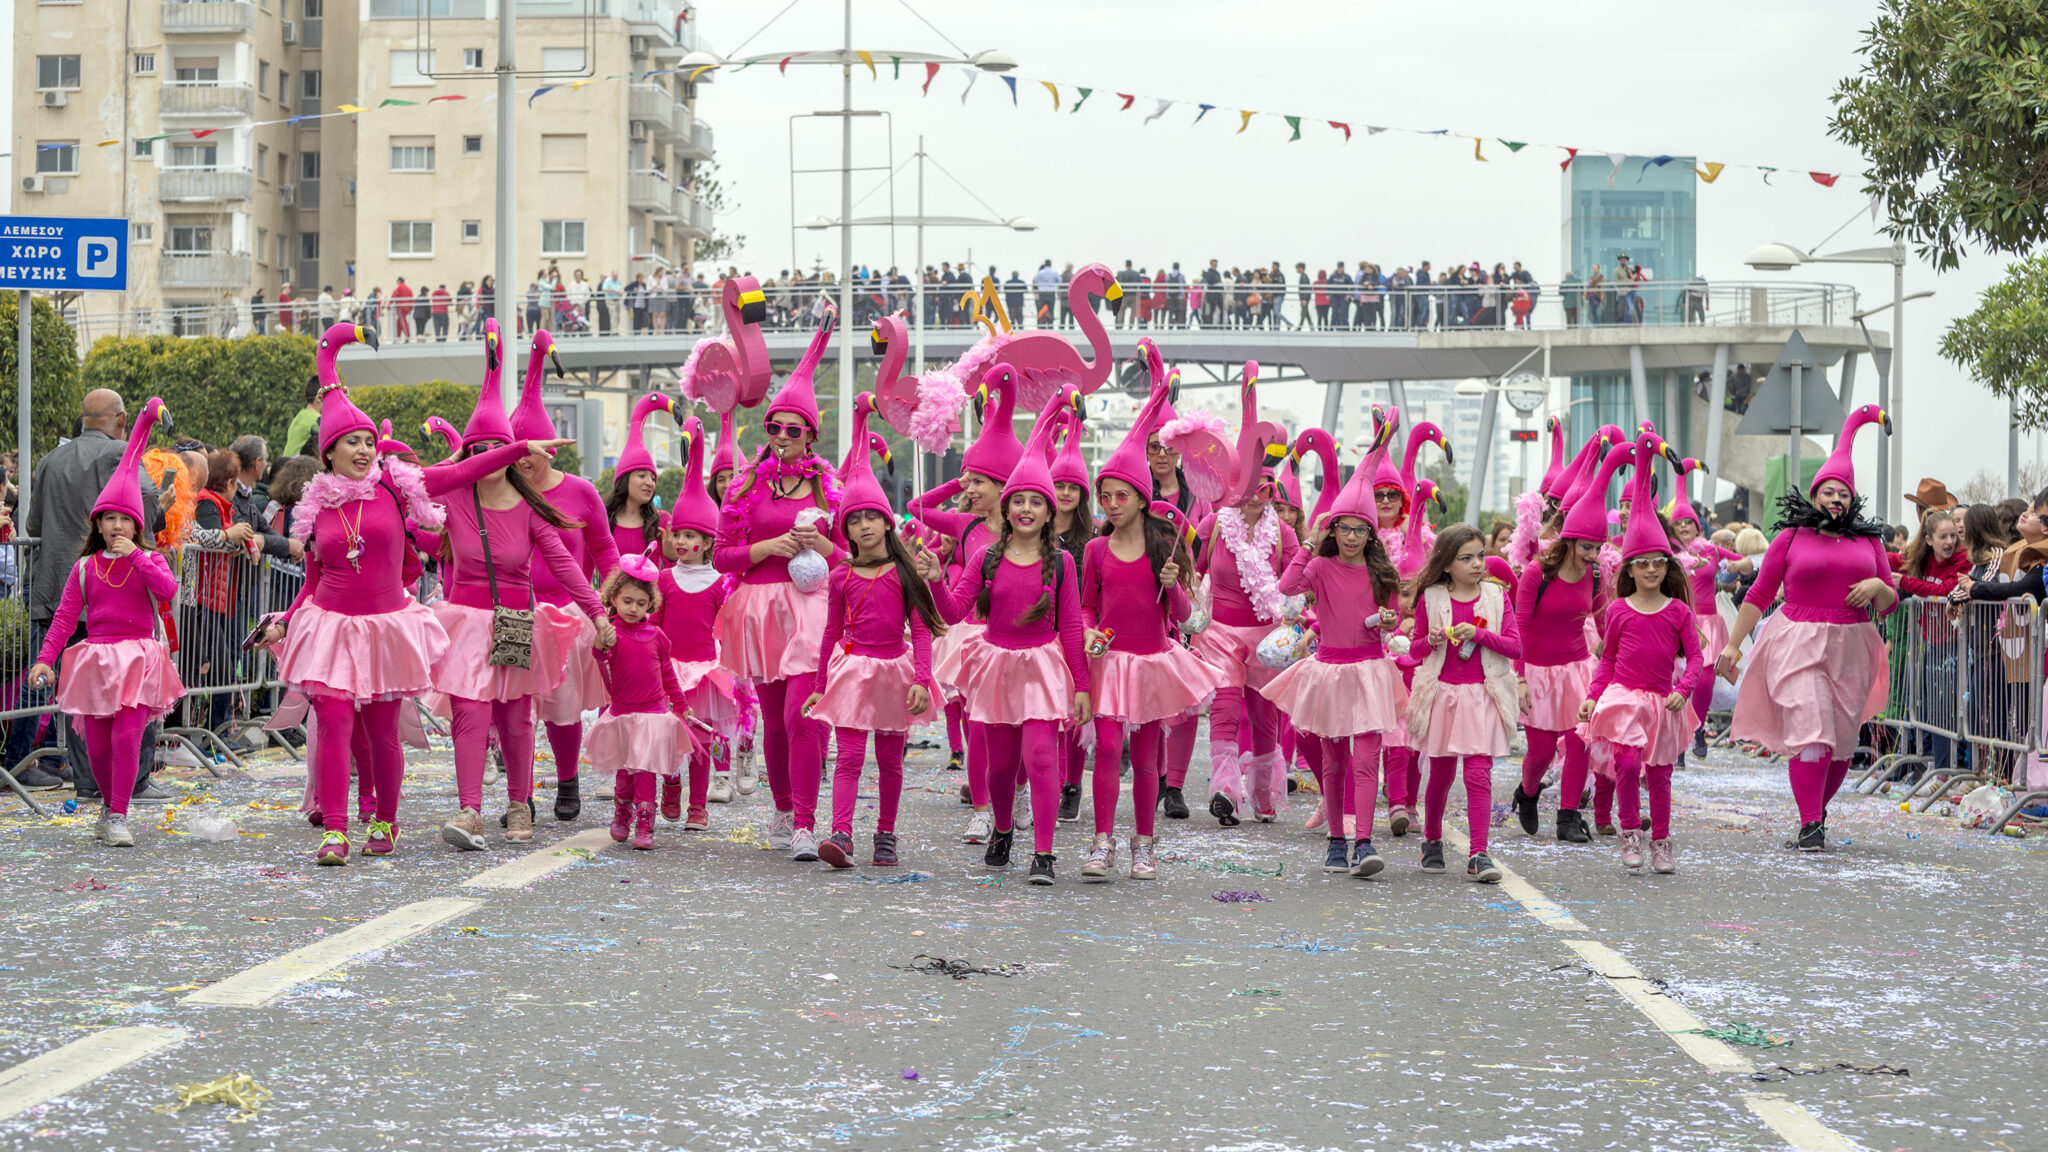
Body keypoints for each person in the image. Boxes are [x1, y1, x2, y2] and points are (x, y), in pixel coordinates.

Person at [262, 324, 450, 863]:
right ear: (329, 453)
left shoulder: (394, 485)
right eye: (354, 442)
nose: (366, 449)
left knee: (383, 734)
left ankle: (385, 823)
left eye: (370, 440)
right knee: (336, 724)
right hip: (333, 625)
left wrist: (516, 452)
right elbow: (317, 579)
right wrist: (287, 620)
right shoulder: (317, 505)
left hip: (386, 625)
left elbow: (459, 472)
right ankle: (336, 831)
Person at [425, 320, 612, 850]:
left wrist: (598, 615)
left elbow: (570, 566)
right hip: (466, 620)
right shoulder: (455, 498)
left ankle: (516, 803)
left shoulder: (532, 510)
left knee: (514, 717)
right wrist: (505, 449)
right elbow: (422, 479)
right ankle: (468, 811)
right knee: (469, 712)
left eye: (497, 448)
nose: (486, 457)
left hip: (514, 621)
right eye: (477, 448)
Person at [919, 381, 1092, 887]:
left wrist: (1082, 687)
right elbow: (954, 613)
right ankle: (1000, 829)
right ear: (1009, 506)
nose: (1025, 511)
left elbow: (1074, 627)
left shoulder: (1060, 563)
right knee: (996, 766)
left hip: (1041, 666)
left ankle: (1043, 851)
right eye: (1018, 502)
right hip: (995, 665)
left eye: (1036, 503)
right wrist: (933, 580)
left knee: (1040, 758)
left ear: (1048, 512)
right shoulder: (983, 556)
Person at [1718, 407, 1896, 853]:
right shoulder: (1791, 538)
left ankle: (1817, 811)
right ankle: (1810, 824)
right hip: (1797, 639)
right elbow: (1759, 594)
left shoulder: (1869, 542)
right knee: (1812, 731)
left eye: (1844, 493)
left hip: (1853, 643)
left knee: (1840, 742)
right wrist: (1734, 646)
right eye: (1829, 491)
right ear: (1815, 495)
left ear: (1852, 500)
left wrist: (1878, 584)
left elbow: (1889, 601)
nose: (1836, 499)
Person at [712, 308, 842, 860]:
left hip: (812, 609)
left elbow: (854, 557)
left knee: (801, 712)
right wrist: (766, 548)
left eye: (794, 430)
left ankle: (807, 825)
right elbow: (722, 557)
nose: (783, 437)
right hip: (759, 608)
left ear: (811, 436)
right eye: (775, 427)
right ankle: (784, 809)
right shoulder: (743, 487)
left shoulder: (833, 488)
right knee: (772, 718)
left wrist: (822, 547)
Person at [1079, 388, 1224, 880]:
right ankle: (1103, 843)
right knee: (1106, 752)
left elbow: (1183, 618)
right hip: (1110, 663)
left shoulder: (1164, 548)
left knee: (1145, 759)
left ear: (1142, 499)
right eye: (1105, 495)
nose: (1111, 503)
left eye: (1121, 495)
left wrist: (1172, 586)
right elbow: (1086, 607)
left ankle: (1143, 844)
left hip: (1153, 662)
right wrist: (1088, 634)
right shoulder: (1095, 551)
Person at [25, 399, 182, 848]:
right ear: (98, 522)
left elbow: (167, 590)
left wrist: (137, 553)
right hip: (96, 659)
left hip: (137, 658)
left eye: (125, 520)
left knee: (129, 736)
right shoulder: (85, 568)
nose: (116, 526)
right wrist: (43, 659)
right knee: (96, 748)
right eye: (109, 519)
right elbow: (63, 619)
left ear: (136, 524)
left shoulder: (147, 558)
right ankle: (106, 806)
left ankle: (117, 814)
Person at [803, 396, 941, 869]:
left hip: (896, 673)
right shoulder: (840, 575)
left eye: (871, 517)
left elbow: (921, 632)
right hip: (853, 670)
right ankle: (841, 834)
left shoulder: (907, 574)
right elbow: (828, 634)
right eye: (854, 519)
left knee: (890, 761)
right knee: (848, 758)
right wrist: (820, 686)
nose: (863, 525)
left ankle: (886, 834)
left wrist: (922, 680)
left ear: (887, 521)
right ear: (847, 528)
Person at [1264, 423, 1406, 877]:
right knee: (1334, 761)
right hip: (1328, 671)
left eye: (1359, 530)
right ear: (1334, 529)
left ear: (1370, 535)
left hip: (1367, 669)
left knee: (1366, 759)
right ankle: (1337, 841)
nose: (1350, 537)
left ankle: (1364, 841)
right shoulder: (1321, 565)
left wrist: (1388, 621)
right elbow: (1287, 587)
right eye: (1343, 529)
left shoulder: (1382, 572)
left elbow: (1395, 617)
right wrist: (1309, 543)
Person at [1575, 435, 1703, 874]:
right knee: (1627, 763)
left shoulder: (1679, 611)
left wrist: (1683, 690)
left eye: (1659, 562)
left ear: (1668, 567)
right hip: (1624, 697)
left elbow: (1696, 659)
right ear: (1629, 568)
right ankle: (1629, 831)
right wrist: (1594, 695)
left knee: (1661, 775)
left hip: (1662, 700)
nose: (1651, 569)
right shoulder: (1618, 611)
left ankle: (1661, 842)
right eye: (1643, 562)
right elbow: (1607, 661)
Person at [508, 329, 621, 823]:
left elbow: (606, 551)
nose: (520, 457)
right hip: (510, 612)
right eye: (512, 449)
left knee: (563, 707)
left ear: (549, 448)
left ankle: (568, 777)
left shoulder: (580, 492)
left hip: (568, 616)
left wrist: (608, 602)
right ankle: (520, 793)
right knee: (513, 708)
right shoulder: (500, 492)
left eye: (527, 448)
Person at [1404, 524, 1520, 884]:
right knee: (1440, 774)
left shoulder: (1497, 597)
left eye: (1480, 556)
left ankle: (1478, 853)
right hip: (1443, 694)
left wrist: (1481, 634)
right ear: (1446, 563)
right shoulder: (1432, 597)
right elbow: (1415, 649)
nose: (1476, 564)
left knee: (1478, 773)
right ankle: (1432, 839)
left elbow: (1515, 647)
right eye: (1465, 558)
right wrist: (1433, 640)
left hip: (1483, 695)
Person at [1509, 460, 1615, 843]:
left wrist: (1614, 661)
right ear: (1569, 540)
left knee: (1578, 742)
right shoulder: (1537, 573)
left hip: (1576, 671)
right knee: (1539, 753)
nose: (1593, 554)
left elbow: (1604, 624)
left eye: (1598, 547)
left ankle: (1568, 815)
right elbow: (1519, 626)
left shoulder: (1598, 573)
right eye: (1587, 547)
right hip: (1535, 672)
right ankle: (1529, 792)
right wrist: (1519, 678)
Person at [653, 421, 739, 815]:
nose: (683, 542)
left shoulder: (721, 581)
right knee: (671, 735)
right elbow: (653, 624)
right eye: (678, 535)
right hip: (669, 671)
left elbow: (728, 625)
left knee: (702, 738)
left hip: (705, 671)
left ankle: (698, 804)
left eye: (692, 537)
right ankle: (671, 788)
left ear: (707, 543)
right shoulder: (665, 578)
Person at [590, 556, 695, 851]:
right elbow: (601, 661)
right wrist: (601, 644)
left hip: (652, 714)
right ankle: (623, 810)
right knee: (625, 772)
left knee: (645, 769)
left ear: (651, 603)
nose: (633, 608)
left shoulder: (657, 637)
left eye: (640, 602)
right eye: (627, 601)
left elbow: (667, 674)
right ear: (613, 598)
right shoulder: (612, 632)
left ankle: (645, 822)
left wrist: (682, 704)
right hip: (623, 713)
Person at [1669, 469, 1753, 758]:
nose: (1683, 526)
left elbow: (1747, 564)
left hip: (1709, 623)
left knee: (1703, 680)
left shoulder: (1713, 552)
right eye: (1677, 522)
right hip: (1677, 621)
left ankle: (1698, 729)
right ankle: (1678, 739)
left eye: (1687, 522)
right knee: (1678, 681)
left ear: (1697, 526)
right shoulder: (1666, 553)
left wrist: (1738, 566)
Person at [605, 394, 675, 564]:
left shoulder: (663, 521)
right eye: (641, 475)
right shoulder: (604, 519)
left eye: (652, 478)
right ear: (624, 479)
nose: (649, 483)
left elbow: (672, 572)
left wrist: (672, 555)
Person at [282, 376, 323, 459]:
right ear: (319, 397)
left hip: (286, 464)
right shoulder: (317, 419)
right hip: (300, 466)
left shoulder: (298, 417)